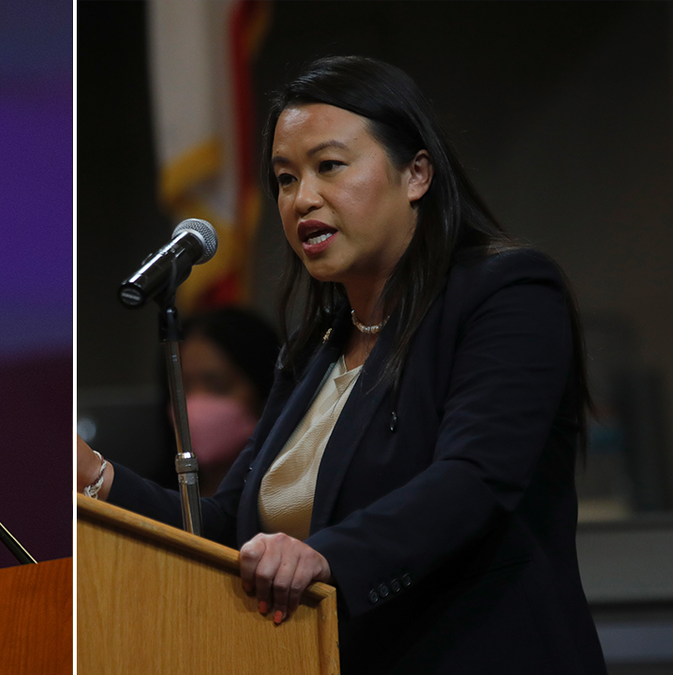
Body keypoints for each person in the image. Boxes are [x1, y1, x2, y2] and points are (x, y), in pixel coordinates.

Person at [77, 56, 606, 674]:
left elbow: (473, 478)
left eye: (329, 166)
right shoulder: (316, 344)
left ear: (416, 174)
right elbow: (227, 527)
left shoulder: (506, 292)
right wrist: (96, 476)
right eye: (283, 178)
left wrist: (323, 556)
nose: (303, 199)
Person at [157, 308, 279, 496]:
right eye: (182, 389)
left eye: (218, 387)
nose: (196, 402)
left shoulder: (288, 506)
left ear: (265, 390)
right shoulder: (153, 501)